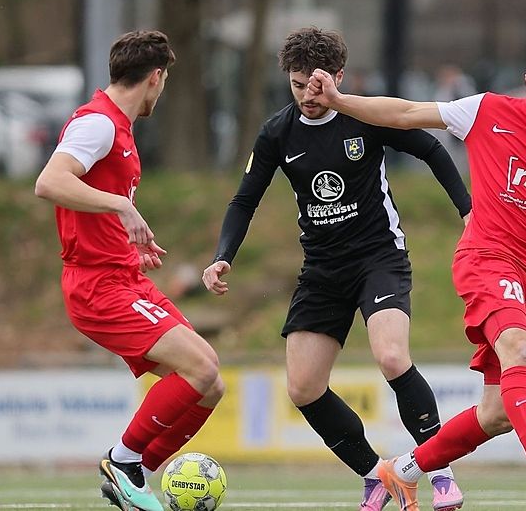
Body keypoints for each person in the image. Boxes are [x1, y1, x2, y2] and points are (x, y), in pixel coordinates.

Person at [306, 35, 526, 508]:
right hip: (485, 258)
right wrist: (339, 101)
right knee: (517, 346)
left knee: (496, 413)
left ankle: (405, 470)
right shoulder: (486, 110)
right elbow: (406, 114)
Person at [201, 27, 471, 511]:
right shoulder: (277, 133)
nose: (308, 94)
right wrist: (224, 255)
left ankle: (440, 472)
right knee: (303, 388)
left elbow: (430, 148)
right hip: (323, 267)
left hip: (378, 256)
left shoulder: (365, 118)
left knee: (391, 357)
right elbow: (245, 199)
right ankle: (377, 476)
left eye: (316, 84)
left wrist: (467, 211)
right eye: (298, 83)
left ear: (338, 77)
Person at [35, 30, 225, 511]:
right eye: (165, 83)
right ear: (156, 78)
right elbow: (50, 182)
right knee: (201, 367)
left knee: (210, 386)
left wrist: (125, 244)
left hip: (122, 275)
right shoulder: (98, 123)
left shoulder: (116, 127)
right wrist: (121, 206)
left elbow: (87, 206)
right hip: (97, 288)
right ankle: (122, 462)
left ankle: (135, 473)